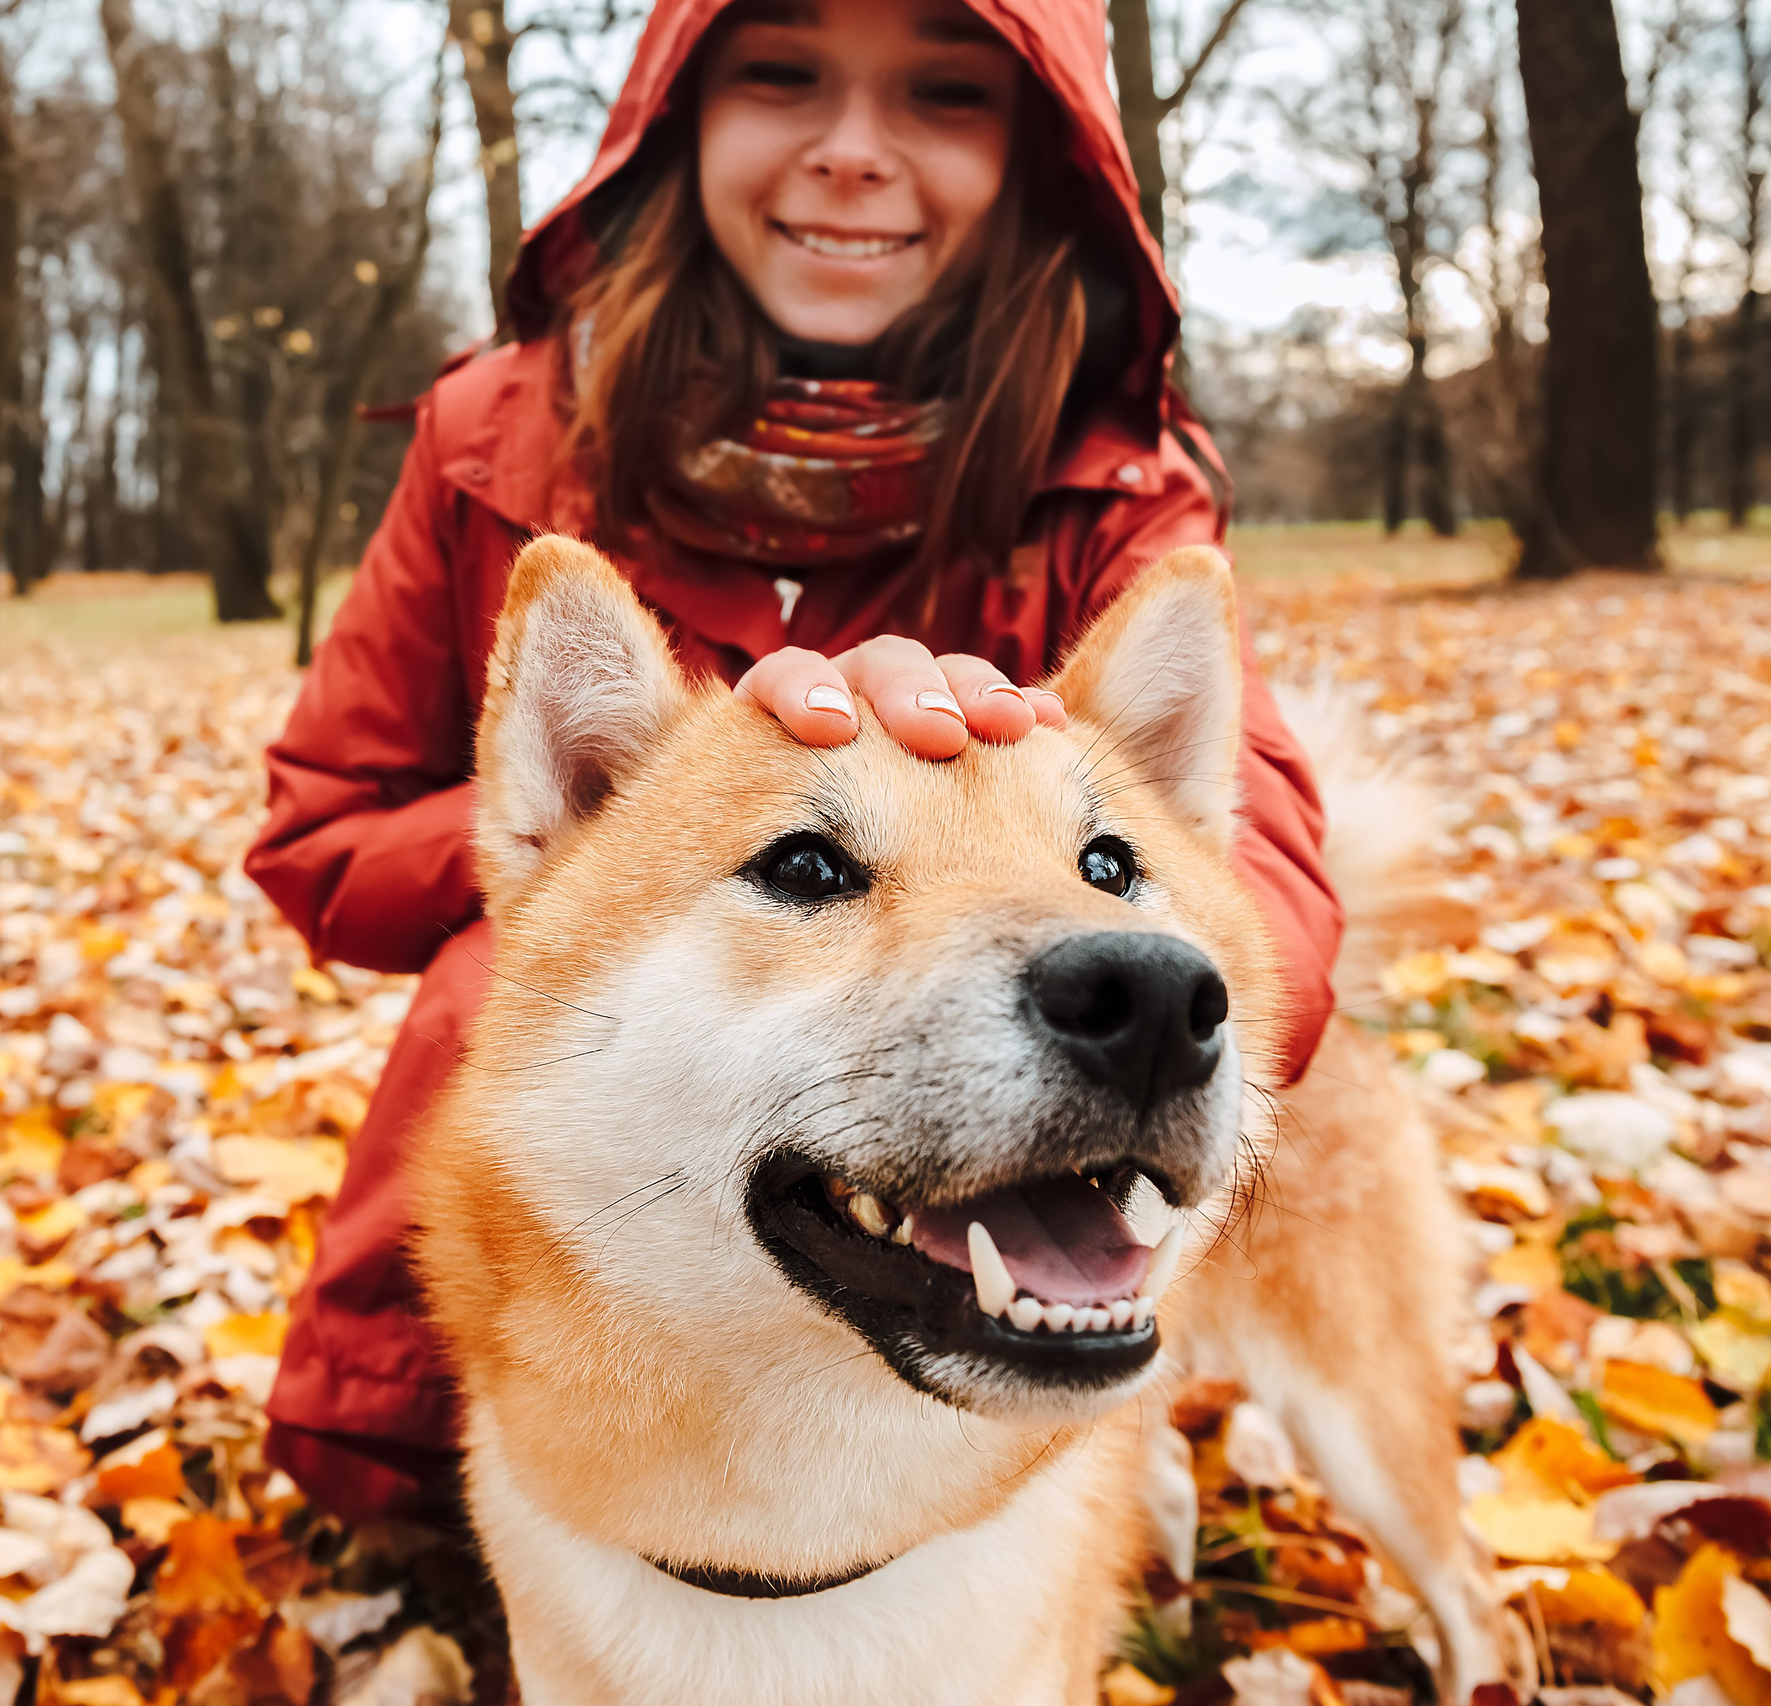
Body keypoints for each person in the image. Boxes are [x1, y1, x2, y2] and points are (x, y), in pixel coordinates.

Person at [245, 0, 1341, 1526]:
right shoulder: (493, 436)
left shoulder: (1115, 489)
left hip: (981, 1138)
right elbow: (323, 840)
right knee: (515, 975)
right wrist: (655, 827)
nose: (850, 154)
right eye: (783, 75)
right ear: (673, 112)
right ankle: (450, 1455)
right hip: (600, 1172)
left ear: (1037, 151)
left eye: (943, 95)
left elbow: (1261, 885)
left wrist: (1046, 847)